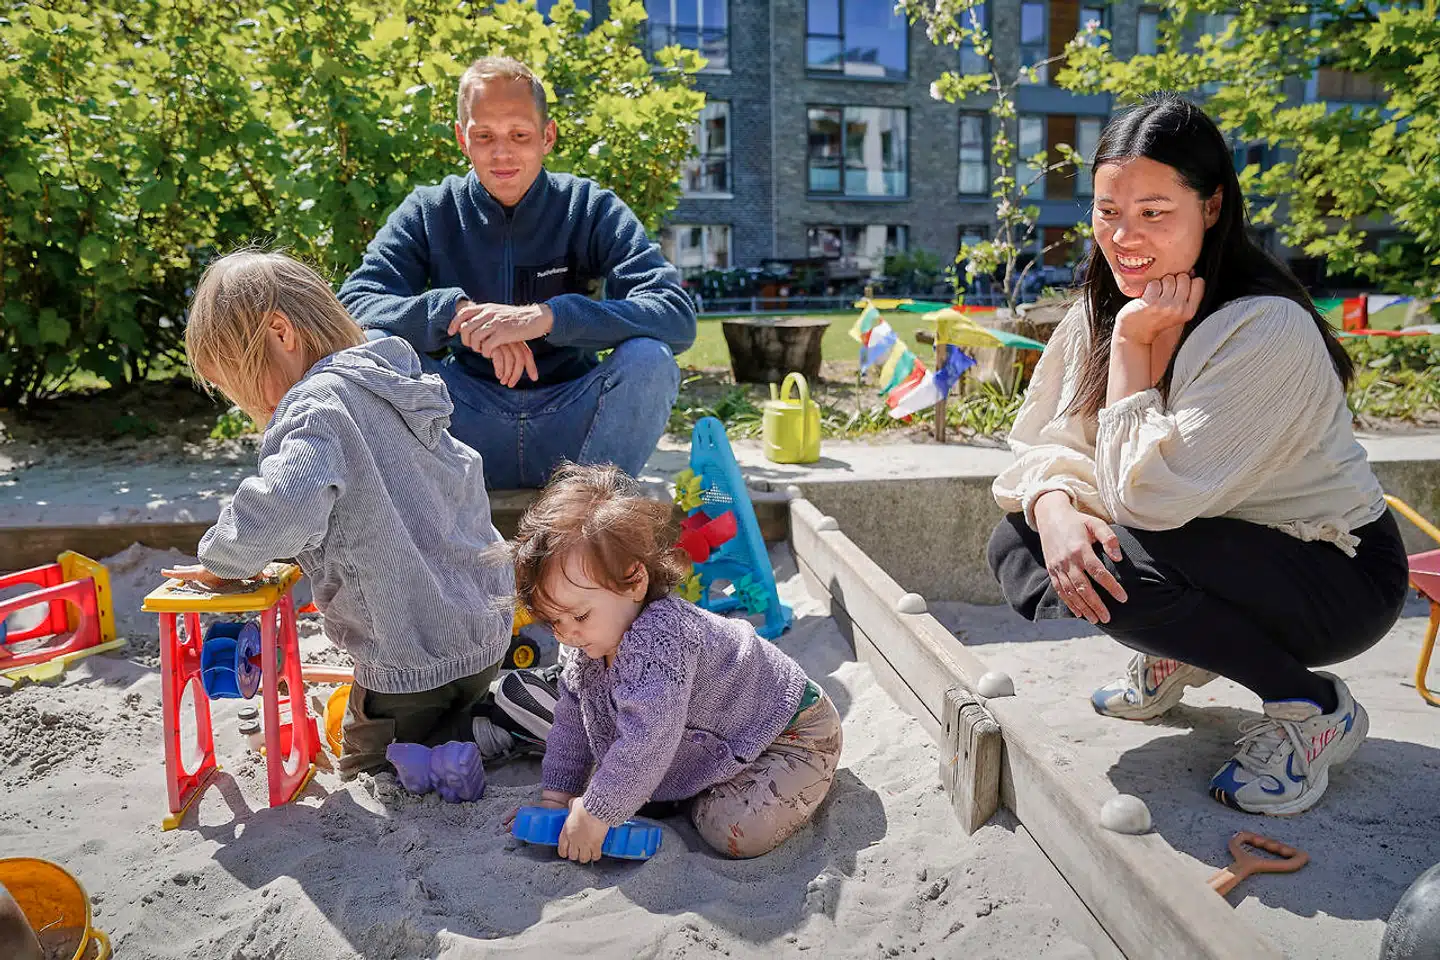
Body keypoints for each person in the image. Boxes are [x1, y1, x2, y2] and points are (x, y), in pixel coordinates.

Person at [985, 93, 1409, 816]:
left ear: (1211, 207)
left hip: (1332, 573)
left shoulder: (1263, 327)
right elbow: (1047, 444)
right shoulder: (1103, 306)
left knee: (1121, 563)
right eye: (1107, 211)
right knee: (1021, 542)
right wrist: (1055, 511)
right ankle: (1185, 645)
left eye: (1154, 212)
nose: (1123, 236)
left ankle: (1312, 707)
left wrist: (1132, 348)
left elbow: (1143, 501)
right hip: (1203, 544)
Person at [162, 250, 513, 784]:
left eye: (242, 383)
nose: (251, 407)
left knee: (366, 765)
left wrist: (221, 563)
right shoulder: (388, 379)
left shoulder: (317, 406)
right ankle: (473, 726)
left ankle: (449, 748)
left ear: (281, 333)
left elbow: (282, 504)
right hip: (485, 638)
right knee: (443, 715)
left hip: (408, 667)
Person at [338, 56, 696, 490]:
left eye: (520, 135)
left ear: (547, 136)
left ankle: (584, 519)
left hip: (575, 427)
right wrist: (460, 316)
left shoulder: (588, 207)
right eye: (484, 136)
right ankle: (431, 523)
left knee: (649, 359)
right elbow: (354, 305)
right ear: (461, 138)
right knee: (372, 354)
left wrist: (544, 318)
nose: (502, 152)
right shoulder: (430, 211)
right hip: (460, 426)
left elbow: (674, 314)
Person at [504, 463, 843, 860]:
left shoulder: (661, 640)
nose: (566, 633)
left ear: (634, 582)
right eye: (553, 621)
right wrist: (556, 799)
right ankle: (685, 785)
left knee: (731, 829)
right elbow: (570, 726)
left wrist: (595, 814)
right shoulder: (589, 645)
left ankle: (722, 788)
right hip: (712, 742)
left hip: (790, 734)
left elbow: (648, 740)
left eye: (579, 617)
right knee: (628, 782)